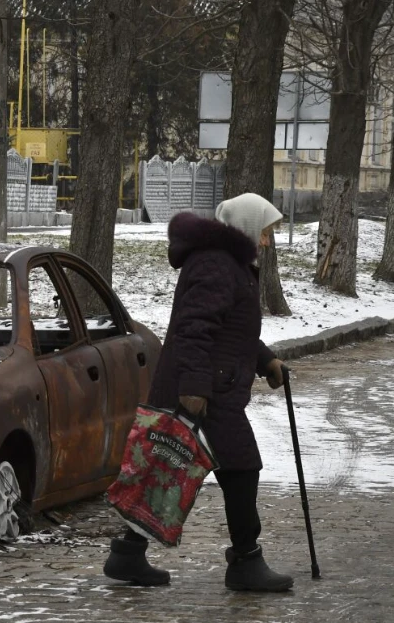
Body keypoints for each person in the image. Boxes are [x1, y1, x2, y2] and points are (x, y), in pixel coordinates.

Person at [103, 192, 294, 592]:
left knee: (163, 468)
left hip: (208, 384)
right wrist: (193, 388)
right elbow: (194, 328)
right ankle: (245, 561)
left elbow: (231, 331)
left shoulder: (228, 264)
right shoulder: (217, 265)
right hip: (206, 390)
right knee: (242, 468)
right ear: (246, 226)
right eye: (264, 232)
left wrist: (267, 362)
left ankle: (128, 555)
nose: (267, 241)